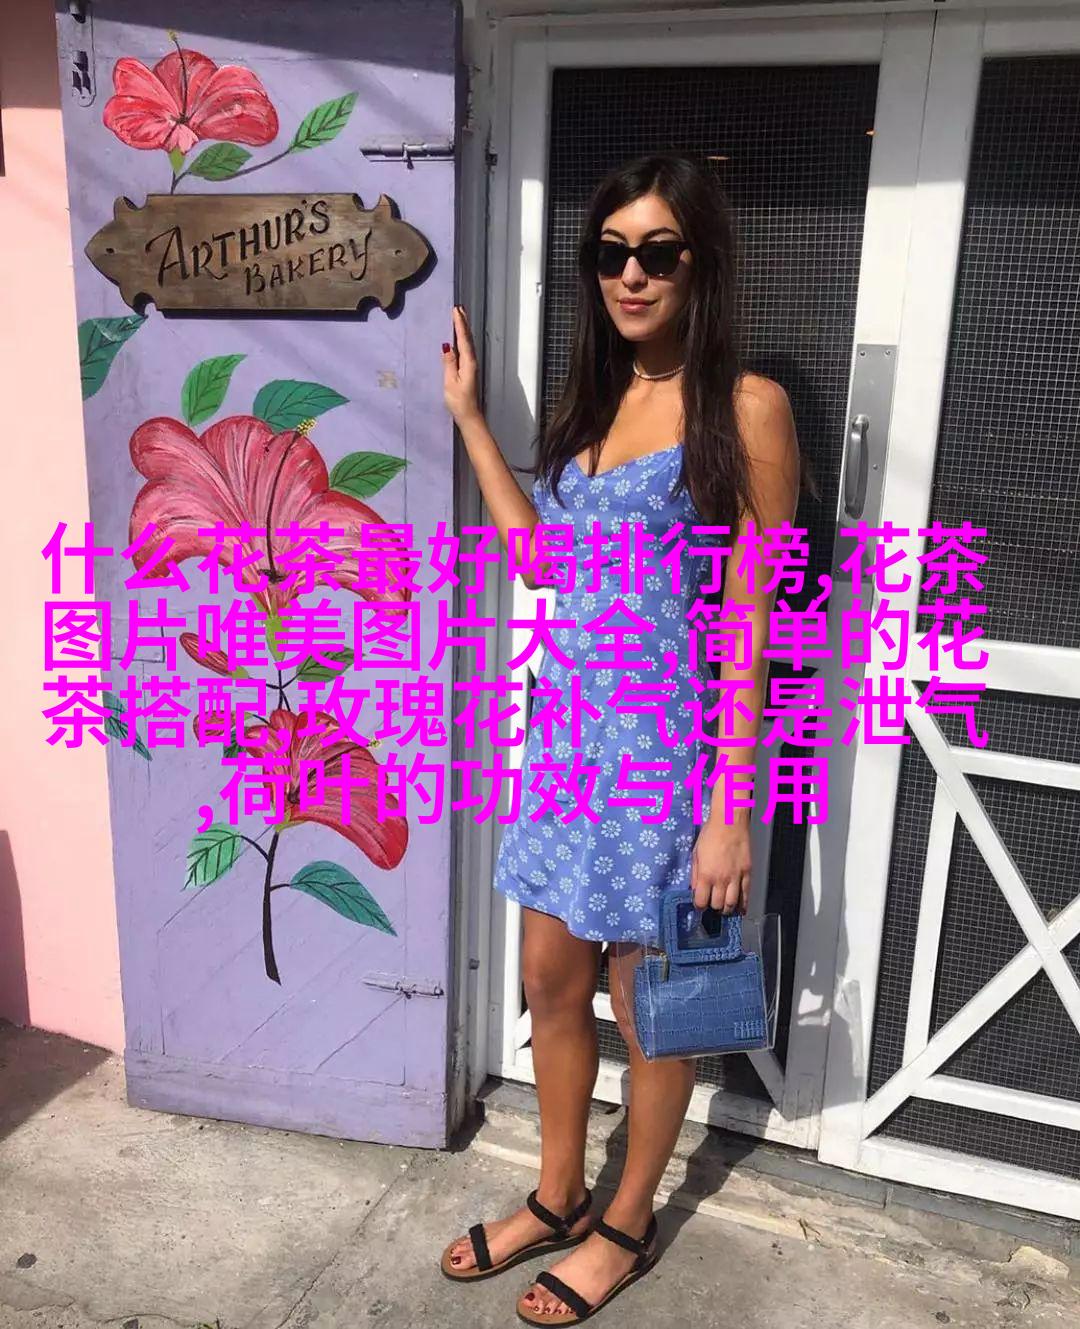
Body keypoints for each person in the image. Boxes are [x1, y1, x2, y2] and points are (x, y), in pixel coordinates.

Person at [438, 149, 800, 1325]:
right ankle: (557, 1195)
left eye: (656, 252)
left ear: (700, 263)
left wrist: (730, 810)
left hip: (667, 766)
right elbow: (543, 559)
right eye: (610, 254)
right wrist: (473, 424)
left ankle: (628, 1222)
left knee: (654, 1012)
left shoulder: (745, 407)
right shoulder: (592, 404)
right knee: (550, 983)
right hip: (562, 750)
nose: (630, 275)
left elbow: (753, 619)